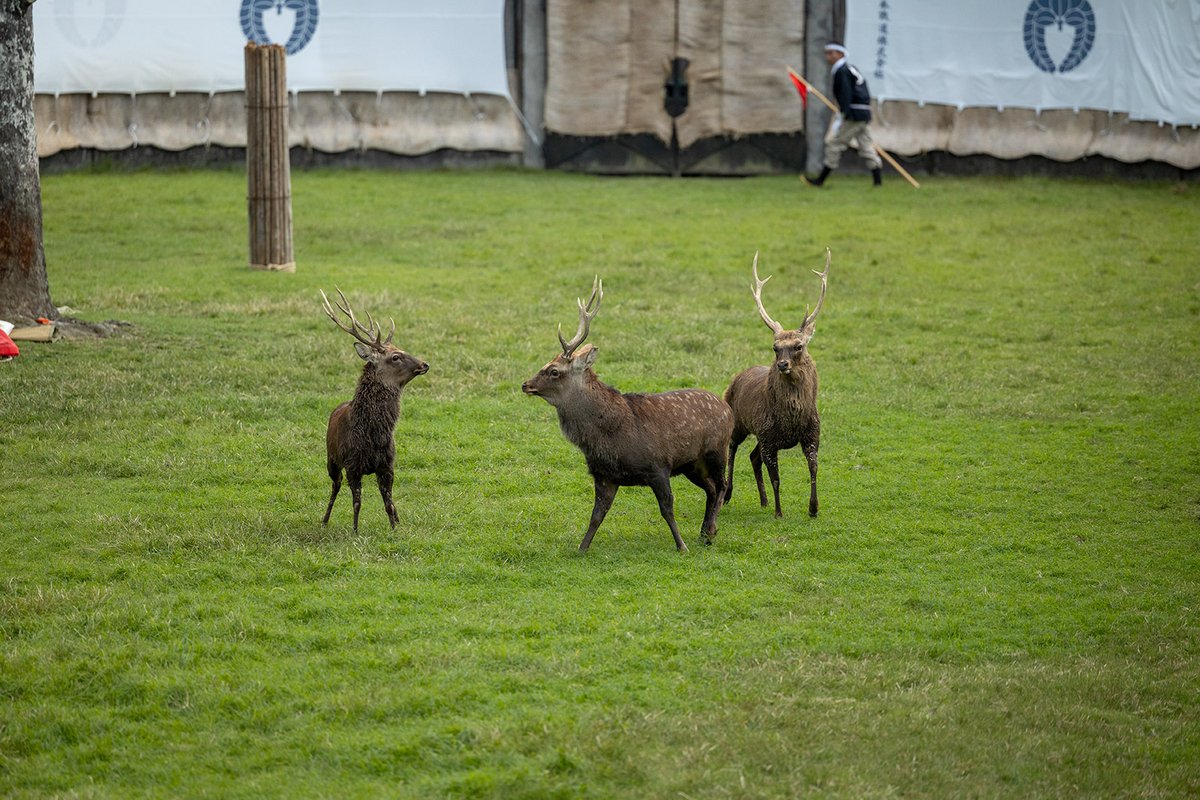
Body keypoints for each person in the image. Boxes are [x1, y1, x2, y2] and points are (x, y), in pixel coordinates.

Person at [803, 43, 882, 187]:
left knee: (834, 144)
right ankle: (878, 182)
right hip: (863, 112)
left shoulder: (842, 71)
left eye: (831, 53)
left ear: (841, 54)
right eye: (827, 53)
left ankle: (820, 180)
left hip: (853, 113)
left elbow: (846, 94)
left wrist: (843, 115)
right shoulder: (850, 69)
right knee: (866, 146)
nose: (828, 57)